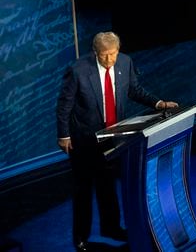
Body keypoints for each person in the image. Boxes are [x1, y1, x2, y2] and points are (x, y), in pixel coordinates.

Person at [56, 31, 178, 252]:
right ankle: (81, 238)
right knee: (83, 189)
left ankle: (111, 227)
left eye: (113, 54)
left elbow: (134, 90)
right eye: (104, 55)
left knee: (107, 184)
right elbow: (64, 105)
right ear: (95, 52)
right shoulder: (77, 71)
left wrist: (158, 103)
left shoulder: (125, 61)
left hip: (112, 135)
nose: (109, 60)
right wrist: (63, 135)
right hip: (84, 138)